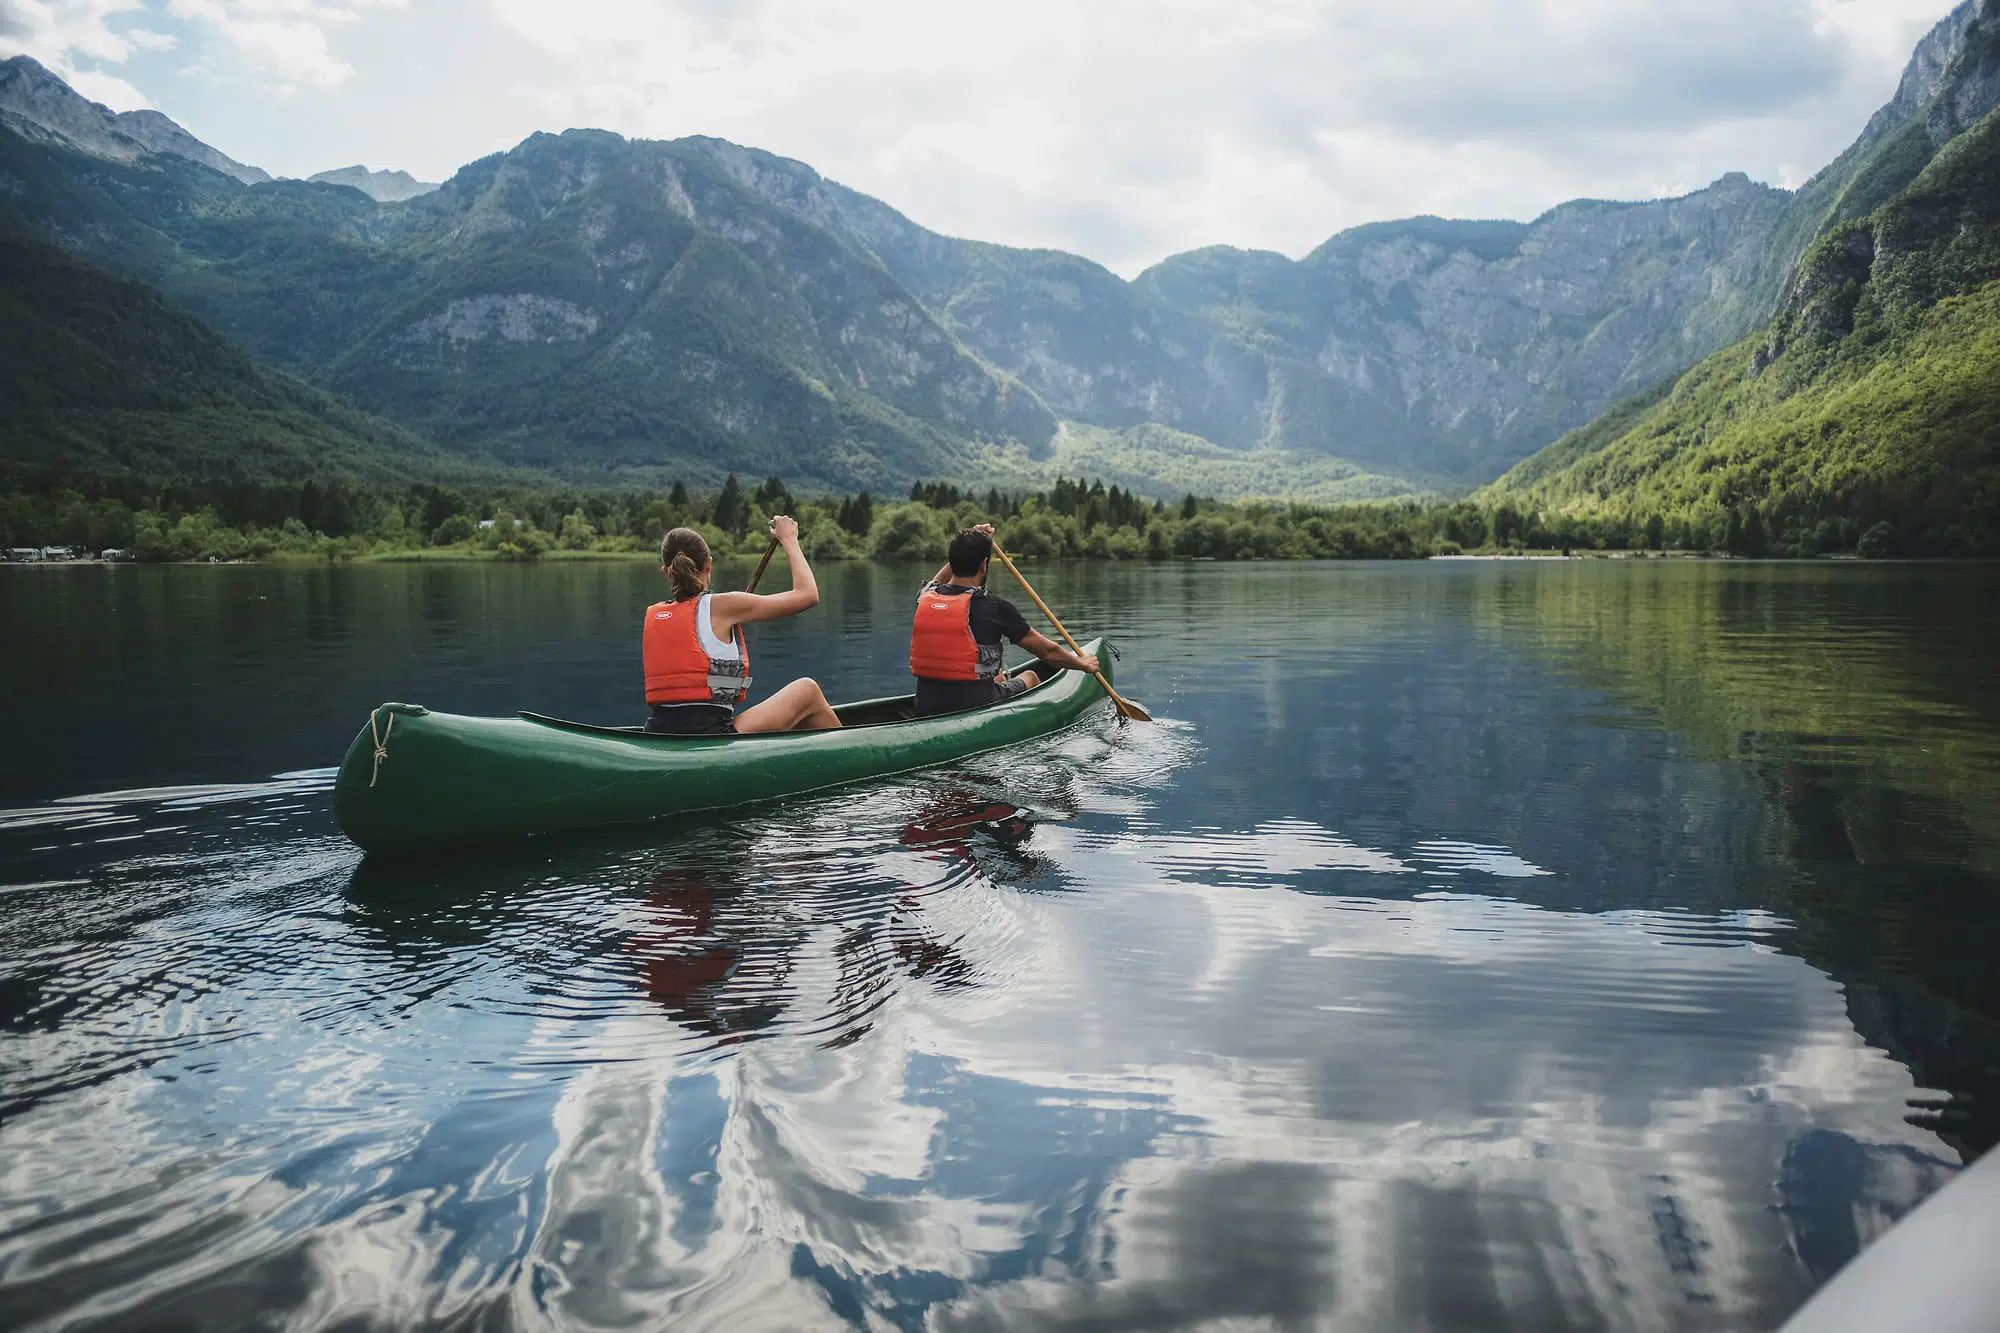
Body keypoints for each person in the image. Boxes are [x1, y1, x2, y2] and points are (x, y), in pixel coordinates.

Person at [644, 516, 841, 735]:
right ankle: (851, 756)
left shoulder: (654, 614)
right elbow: (808, 595)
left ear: (665, 572)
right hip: (711, 734)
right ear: (708, 564)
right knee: (808, 691)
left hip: (656, 732)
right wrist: (789, 539)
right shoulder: (724, 606)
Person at [910, 523, 1100, 717]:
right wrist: (1082, 664)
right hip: (975, 705)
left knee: (998, 676)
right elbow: (1047, 652)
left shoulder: (925, 597)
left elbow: (937, 582)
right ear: (983, 564)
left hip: (926, 704)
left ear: (953, 561)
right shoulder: (994, 607)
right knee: (1031, 677)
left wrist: (970, 545)